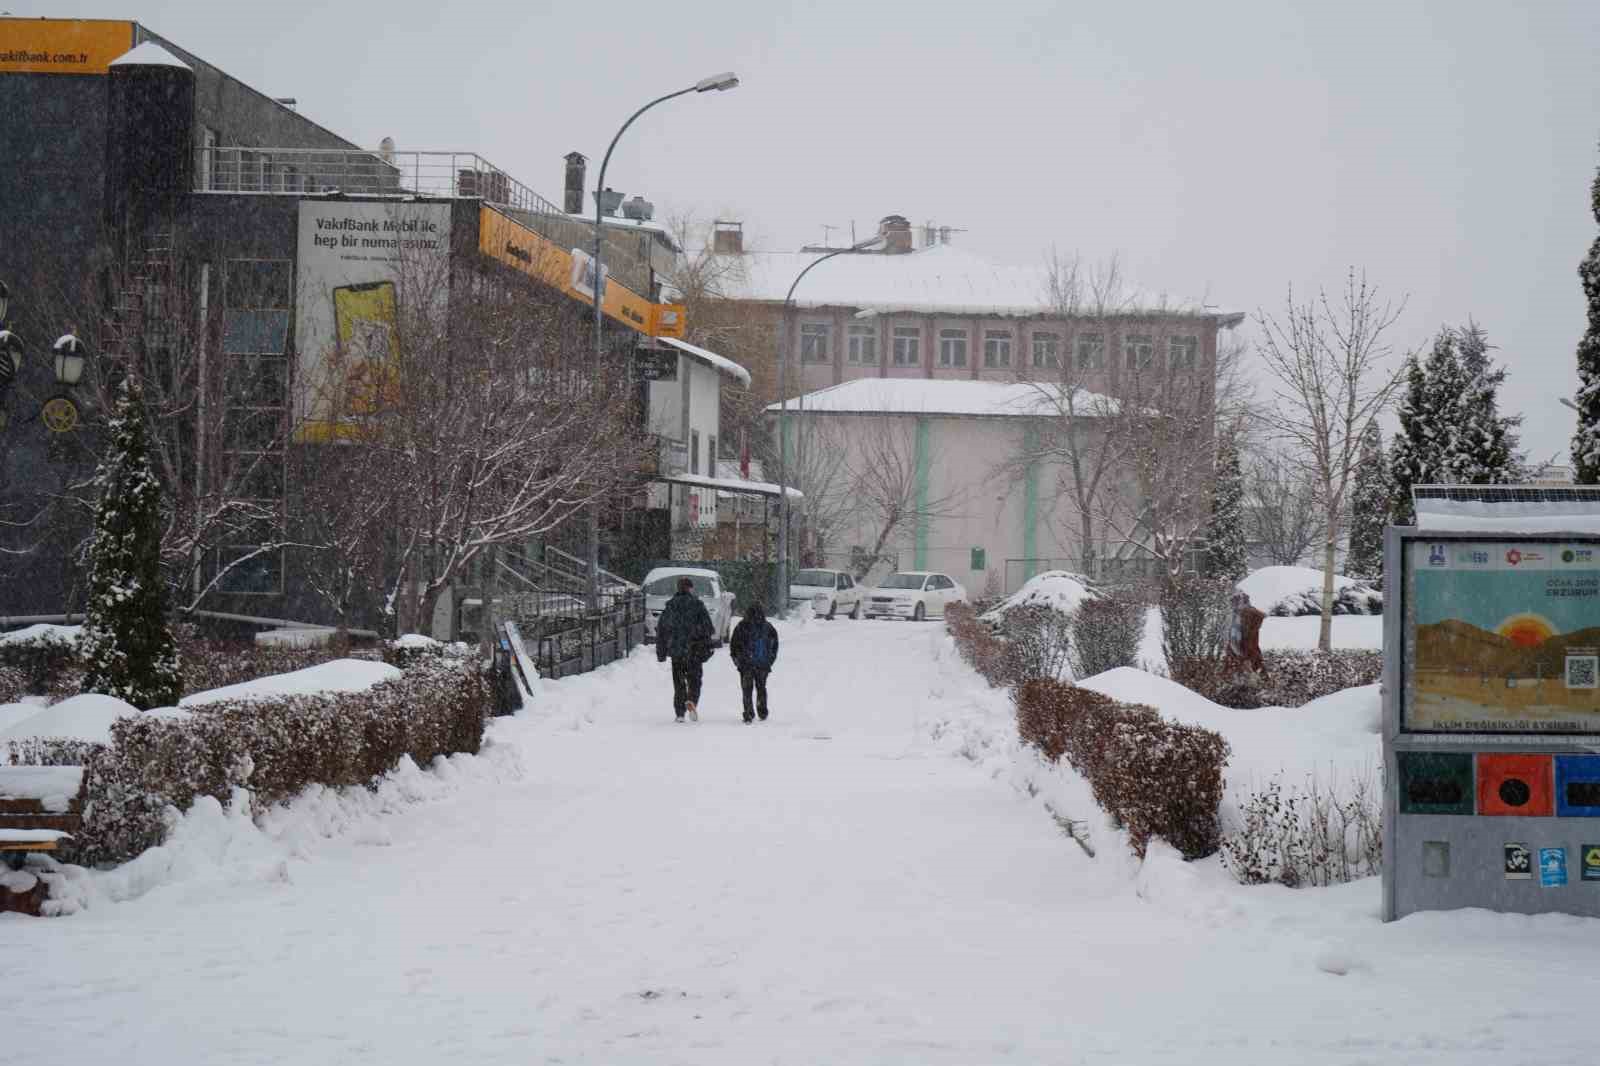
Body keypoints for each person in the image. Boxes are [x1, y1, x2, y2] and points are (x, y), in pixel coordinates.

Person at [655, 575, 716, 722]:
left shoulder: (670, 606)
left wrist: (661, 652)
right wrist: (707, 645)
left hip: (676, 650)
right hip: (694, 650)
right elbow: (708, 628)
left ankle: (680, 713)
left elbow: (662, 630)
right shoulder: (697, 605)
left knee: (679, 681)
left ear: (678, 588)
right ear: (690, 588)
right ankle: (692, 700)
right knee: (695, 680)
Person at [729, 601, 780, 723]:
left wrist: (737, 660)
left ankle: (748, 712)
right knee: (761, 687)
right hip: (762, 664)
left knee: (747, 689)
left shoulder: (741, 626)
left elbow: (734, 645)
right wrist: (770, 660)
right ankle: (762, 711)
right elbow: (774, 645)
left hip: (746, 664)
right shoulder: (768, 627)